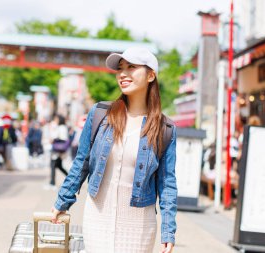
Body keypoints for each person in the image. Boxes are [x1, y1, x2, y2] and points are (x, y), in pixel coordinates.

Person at [49, 47, 177, 253]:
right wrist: (62, 201)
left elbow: (167, 183)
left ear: (151, 75)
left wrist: (168, 230)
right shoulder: (101, 114)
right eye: (120, 69)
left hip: (140, 223)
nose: (123, 74)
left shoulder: (164, 128)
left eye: (132, 67)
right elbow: (82, 162)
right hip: (98, 214)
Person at [48, 114, 69, 188]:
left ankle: (52, 183)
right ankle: (70, 179)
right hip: (60, 149)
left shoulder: (61, 127)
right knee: (59, 165)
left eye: (56, 119)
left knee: (53, 164)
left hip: (57, 149)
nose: (55, 120)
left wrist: (53, 139)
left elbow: (59, 137)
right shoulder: (63, 127)